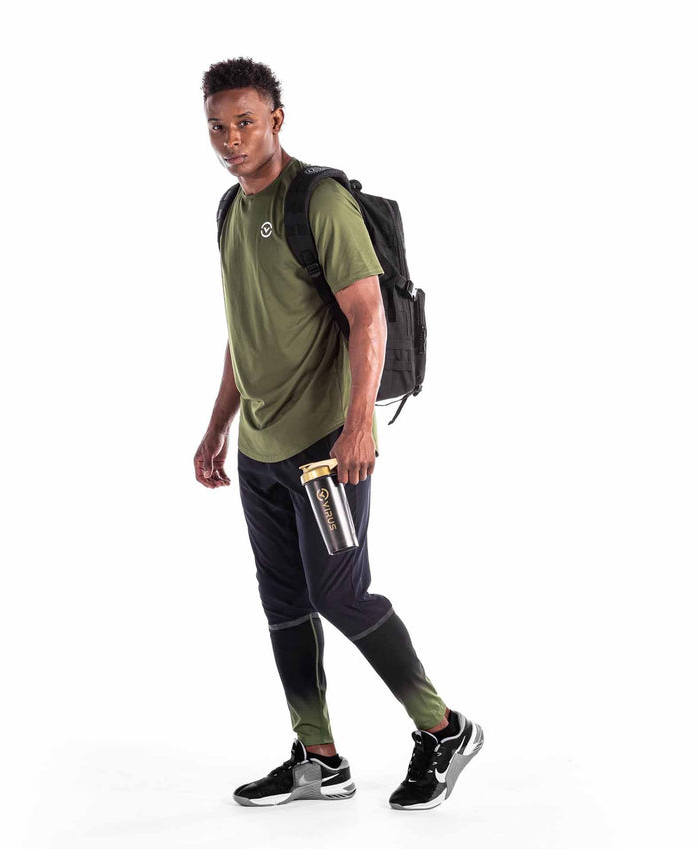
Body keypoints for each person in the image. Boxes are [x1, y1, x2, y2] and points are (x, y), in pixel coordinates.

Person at [194, 56, 483, 811]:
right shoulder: (229, 211)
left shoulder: (318, 201)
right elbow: (244, 331)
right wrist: (217, 426)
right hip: (258, 450)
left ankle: (444, 728)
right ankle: (319, 758)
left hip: (324, 447)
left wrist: (361, 425)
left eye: (245, 122)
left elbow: (367, 315)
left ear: (276, 120)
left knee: (341, 592)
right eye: (218, 126)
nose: (231, 139)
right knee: (284, 600)